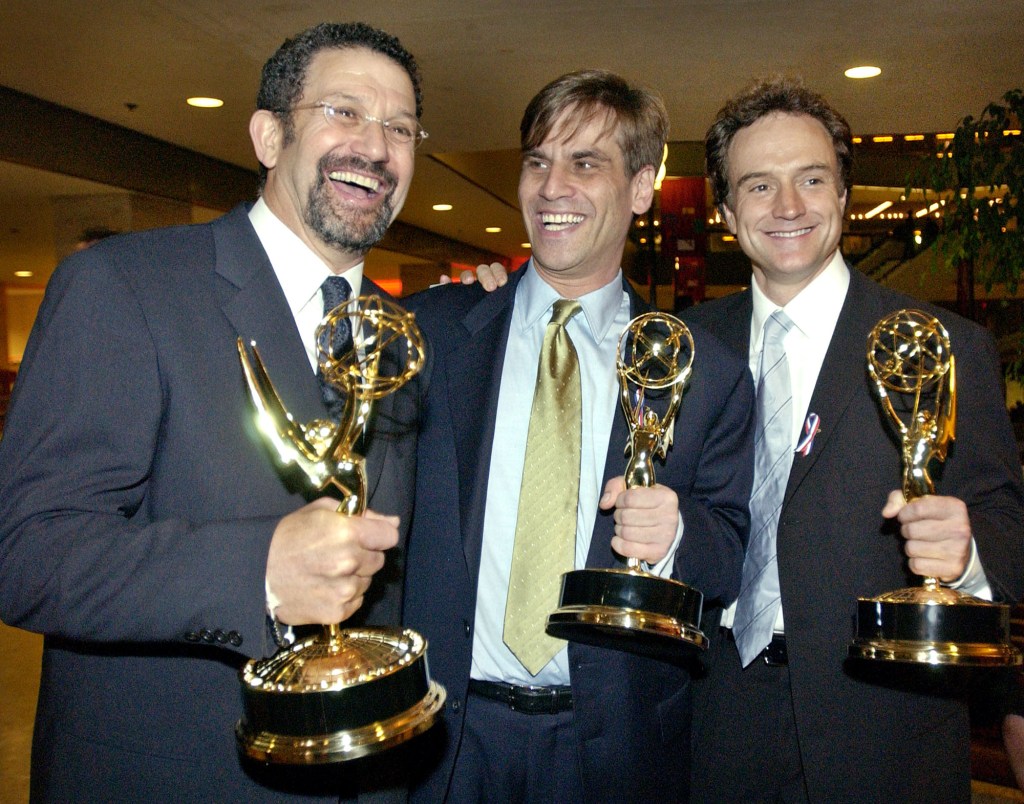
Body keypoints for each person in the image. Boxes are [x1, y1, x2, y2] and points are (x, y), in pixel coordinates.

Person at [0, 22, 428, 801]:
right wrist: (256, 570)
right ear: (270, 135)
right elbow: (29, 553)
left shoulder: (401, 337)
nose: (376, 146)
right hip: (180, 775)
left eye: (399, 127)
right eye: (345, 112)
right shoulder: (126, 288)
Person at [402, 70, 755, 802]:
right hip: (445, 738)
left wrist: (677, 536)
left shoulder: (703, 371)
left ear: (641, 186)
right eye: (538, 161)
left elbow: (730, 557)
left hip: (615, 748)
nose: (551, 186)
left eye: (585, 163)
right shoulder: (437, 335)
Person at [684, 76, 1024, 803]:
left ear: (843, 194)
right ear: (724, 211)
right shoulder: (684, 349)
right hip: (712, 722)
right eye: (758, 186)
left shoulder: (944, 346)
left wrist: (966, 563)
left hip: (887, 728)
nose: (789, 208)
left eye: (812, 179)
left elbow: (1008, 525)